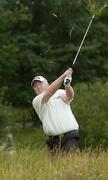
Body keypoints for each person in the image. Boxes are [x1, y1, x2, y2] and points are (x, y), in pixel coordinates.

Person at [31, 68, 80, 154]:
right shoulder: (37, 100)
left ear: (47, 84)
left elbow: (70, 96)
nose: (38, 87)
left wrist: (67, 85)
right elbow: (49, 92)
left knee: (69, 162)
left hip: (70, 136)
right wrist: (63, 76)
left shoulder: (60, 92)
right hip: (53, 140)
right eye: (35, 86)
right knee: (57, 166)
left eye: (40, 84)